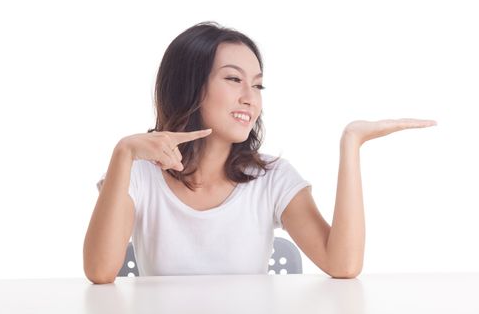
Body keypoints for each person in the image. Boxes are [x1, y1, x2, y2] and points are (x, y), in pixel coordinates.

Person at [83, 21, 437, 284]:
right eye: (234, 79)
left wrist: (351, 143)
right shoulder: (138, 175)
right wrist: (123, 153)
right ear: (189, 86)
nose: (250, 98)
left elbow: (342, 264)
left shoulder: (272, 177)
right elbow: (99, 272)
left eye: (257, 84)